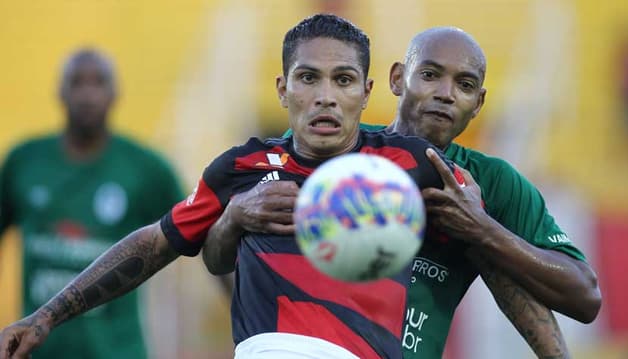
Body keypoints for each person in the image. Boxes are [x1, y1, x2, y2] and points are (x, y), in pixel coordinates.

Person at [0, 15, 458, 359]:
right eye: (307, 78)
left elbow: (485, 237)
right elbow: (157, 243)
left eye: (343, 80)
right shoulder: (243, 167)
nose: (325, 96)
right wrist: (46, 316)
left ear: (366, 90)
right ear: (282, 89)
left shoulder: (410, 165)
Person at [203, 27, 602, 358]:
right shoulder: (328, 151)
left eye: (464, 85)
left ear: (478, 103)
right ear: (397, 79)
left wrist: (482, 230)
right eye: (429, 75)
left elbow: (583, 296)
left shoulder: (490, 182)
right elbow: (228, 250)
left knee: (490, 248)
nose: (445, 93)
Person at [0, 49, 184, 359]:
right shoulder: (23, 161)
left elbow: (202, 231)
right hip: (40, 351)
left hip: (118, 351)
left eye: (98, 83)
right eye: (76, 83)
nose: (87, 94)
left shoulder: (147, 169)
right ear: (60, 92)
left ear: (114, 94)